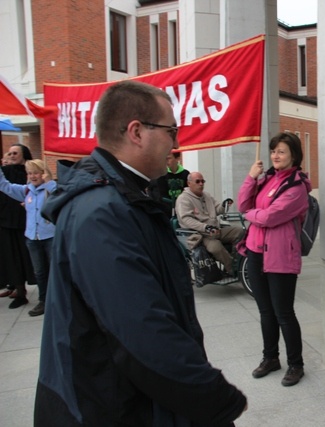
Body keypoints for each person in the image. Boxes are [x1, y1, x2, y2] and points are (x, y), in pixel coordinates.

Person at [36, 80, 247, 426]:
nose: (176, 144)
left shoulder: (126, 199)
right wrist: (216, 399)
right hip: (108, 407)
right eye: (171, 131)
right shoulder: (101, 213)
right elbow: (142, 332)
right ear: (137, 132)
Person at [237, 131, 311, 387]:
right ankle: (270, 358)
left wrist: (250, 214)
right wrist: (251, 177)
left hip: (280, 257)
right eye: (273, 151)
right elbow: (242, 203)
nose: (275, 156)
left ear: (294, 155)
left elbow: (270, 217)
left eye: (281, 151)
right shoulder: (266, 178)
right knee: (265, 311)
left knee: (283, 313)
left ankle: (296, 364)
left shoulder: (297, 187)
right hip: (255, 253)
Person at [0, 159, 56, 316]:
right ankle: (43, 300)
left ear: (43, 173)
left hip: (50, 236)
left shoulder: (52, 189)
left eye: (36, 172)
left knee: (55, 270)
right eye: (30, 173)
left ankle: (59, 300)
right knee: (39, 272)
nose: (32, 176)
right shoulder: (26, 191)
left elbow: (61, 194)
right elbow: (4, 185)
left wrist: (49, 182)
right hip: (33, 238)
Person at [175, 171, 243, 275]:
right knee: (215, 247)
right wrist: (205, 227)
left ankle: (238, 260)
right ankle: (232, 269)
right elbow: (187, 220)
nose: (201, 184)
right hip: (201, 235)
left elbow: (218, 209)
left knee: (241, 231)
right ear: (189, 183)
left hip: (216, 230)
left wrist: (224, 205)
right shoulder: (183, 199)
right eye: (198, 181)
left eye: (203, 181)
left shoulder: (207, 195)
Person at [0, 144, 36, 307]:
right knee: (12, 258)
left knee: (29, 259)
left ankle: (41, 294)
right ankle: (19, 290)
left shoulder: (30, 172)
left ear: (24, 155)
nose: (12, 155)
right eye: (10, 153)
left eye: (15, 153)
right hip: (7, 221)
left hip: (27, 222)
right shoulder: (6, 171)